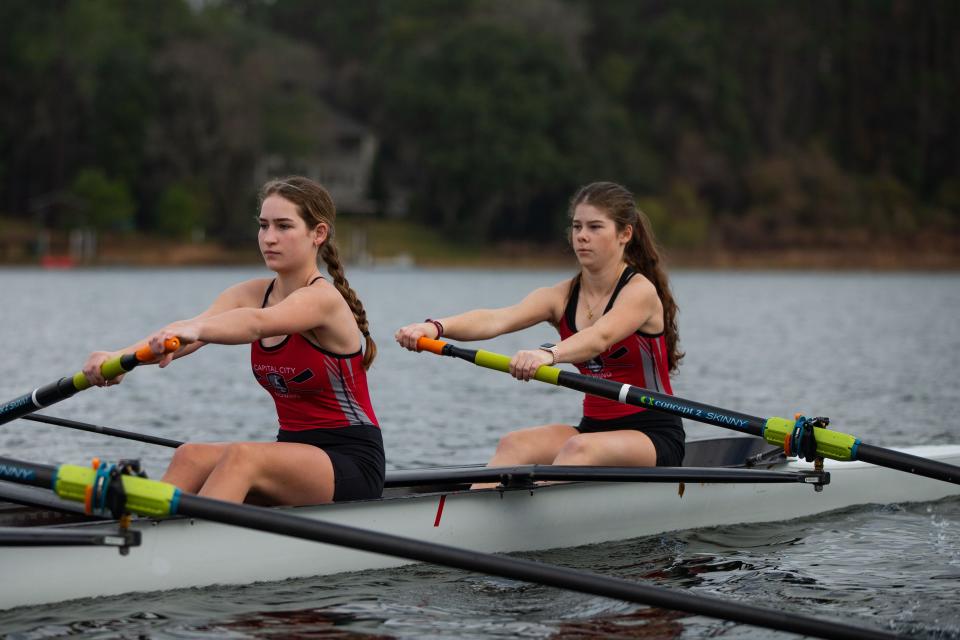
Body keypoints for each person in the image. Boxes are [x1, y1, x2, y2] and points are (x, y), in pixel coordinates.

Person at [82, 176, 383, 505]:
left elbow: (256, 324)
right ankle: (146, 530)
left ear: (318, 234)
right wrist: (121, 359)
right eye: (264, 225)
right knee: (190, 455)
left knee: (243, 457)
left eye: (283, 226)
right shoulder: (250, 292)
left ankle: (195, 542)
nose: (269, 238)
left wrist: (196, 331)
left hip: (351, 461)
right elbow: (187, 330)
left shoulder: (322, 300)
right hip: (291, 453)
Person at [395, 181, 684, 486]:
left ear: (625, 234)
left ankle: (534, 524)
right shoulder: (560, 297)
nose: (582, 236)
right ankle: (469, 518)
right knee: (514, 444)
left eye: (596, 227)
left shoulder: (640, 292)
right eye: (577, 226)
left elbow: (600, 337)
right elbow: (496, 319)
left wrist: (548, 354)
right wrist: (435, 327)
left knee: (578, 449)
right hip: (593, 429)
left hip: (652, 434)